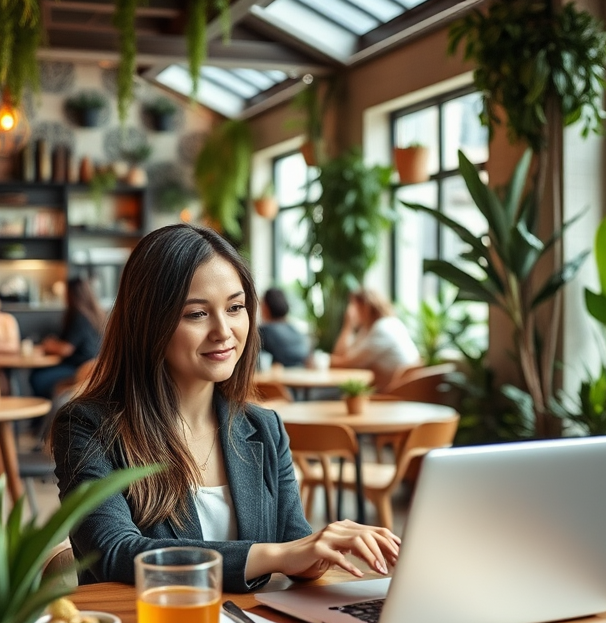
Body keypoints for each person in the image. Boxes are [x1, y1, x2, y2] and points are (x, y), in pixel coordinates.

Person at [51, 224, 400, 593]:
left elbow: (295, 544)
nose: (224, 330)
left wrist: (321, 550)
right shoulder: (86, 427)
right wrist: (276, 556)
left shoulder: (263, 427)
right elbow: (113, 552)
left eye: (235, 308)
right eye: (197, 314)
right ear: (148, 322)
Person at [330, 288, 420, 390]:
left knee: (334, 395)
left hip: (400, 392)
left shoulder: (383, 328)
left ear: (365, 307)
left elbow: (347, 363)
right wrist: (348, 326)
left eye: (354, 306)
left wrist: (324, 361)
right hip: (393, 389)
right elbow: (342, 355)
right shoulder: (371, 328)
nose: (350, 311)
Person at [30, 277, 104, 398]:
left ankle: (43, 414)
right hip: (91, 368)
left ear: (72, 295)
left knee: (37, 378)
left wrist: (48, 345)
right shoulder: (94, 315)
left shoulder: (80, 317)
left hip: (80, 369)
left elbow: (65, 349)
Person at [258, 287, 309, 368]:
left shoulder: (264, 331)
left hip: (276, 378)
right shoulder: (295, 329)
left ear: (266, 307)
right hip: (303, 374)